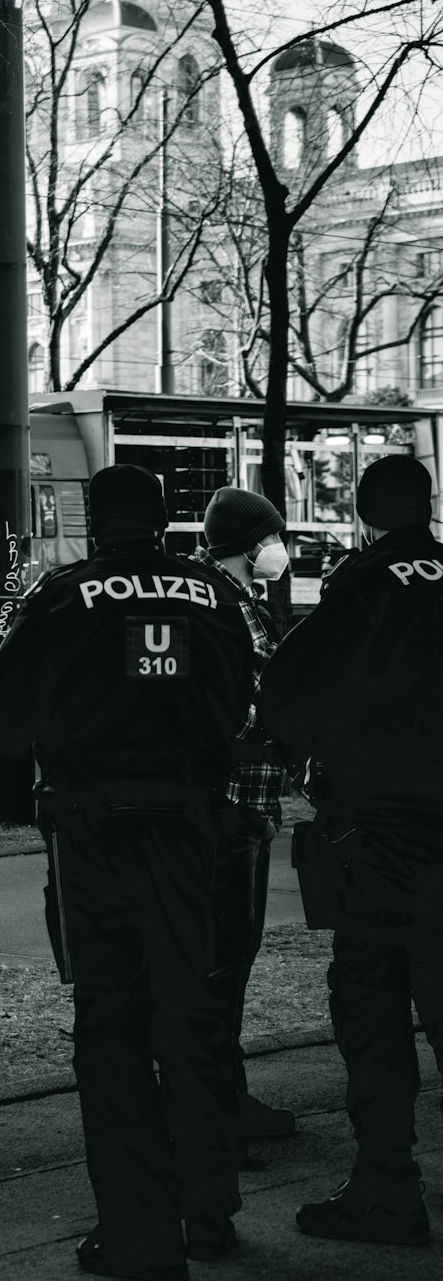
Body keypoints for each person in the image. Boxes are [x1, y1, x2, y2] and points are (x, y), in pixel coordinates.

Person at [0, 465, 254, 1281]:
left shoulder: (67, 596)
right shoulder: (212, 595)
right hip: (189, 829)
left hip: (97, 835)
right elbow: (241, 699)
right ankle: (209, 1209)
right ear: (164, 520)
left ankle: (137, 1231)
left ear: (94, 521)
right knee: (193, 1016)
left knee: (113, 1029)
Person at [259, 454, 443, 1247]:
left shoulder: (363, 585)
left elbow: (290, 698)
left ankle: (387, 1192)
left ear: (365, 514)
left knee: (372, 1012)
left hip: (384, 835)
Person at [190, 487, 297, 1143]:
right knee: (228, 959)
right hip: (240, 809)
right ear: (252, 545)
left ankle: (216, 1097)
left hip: (211, 807)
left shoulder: (200, 597)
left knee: (210, 960)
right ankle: (221, 1104)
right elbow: (266, 698)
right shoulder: (236, 609)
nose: (278, 549)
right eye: (272, 538)